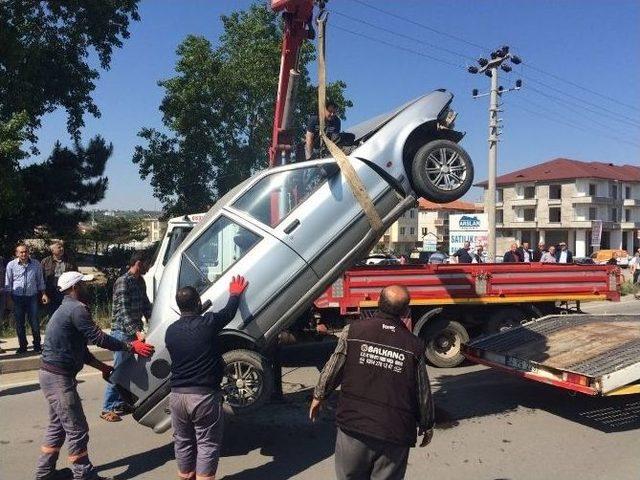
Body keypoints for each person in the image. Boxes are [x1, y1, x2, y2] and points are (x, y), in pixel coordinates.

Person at [36, 271, 154, 480]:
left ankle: (45, 473)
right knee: (77, 428)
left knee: (58, 426)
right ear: (74, 288)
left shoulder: (67, 308)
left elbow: (81, 350)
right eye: (83, 284)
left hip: (52, 375)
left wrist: (103, 368)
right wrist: (130, 346)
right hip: (58, 378)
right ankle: (84, 474)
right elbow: (98, 338)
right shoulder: (77, 310)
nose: (87, 287)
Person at [310, 285, 434, 480]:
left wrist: (319, 395)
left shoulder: (354, 331)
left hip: (354, 426)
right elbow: (422, 390)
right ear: (405, 311)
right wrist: (427, 423)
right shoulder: (414, 345)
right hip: (395, 432)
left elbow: (334, 366)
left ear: (378, 302)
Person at [166, 277, 248, 480]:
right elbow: (228, 313)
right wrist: (235, 293)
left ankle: (186, 477)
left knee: (183, 441)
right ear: (198, 304)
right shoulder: (208, 323)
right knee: (206, 442)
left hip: (177, 396)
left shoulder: (171, 331)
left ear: (179, 307)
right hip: (202, 397)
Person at [101, 251, 153, 422]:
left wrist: (154, 319)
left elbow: (146, 304)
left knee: (129, 370)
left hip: (133, 331)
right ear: (138, 263)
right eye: (147, 263)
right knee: (120, 370)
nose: (149, 267)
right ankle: (107, 407)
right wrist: (136, 331)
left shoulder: (140, 281)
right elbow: (123, 311)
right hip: (122, 333)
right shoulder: (123, 281)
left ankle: (120, 402)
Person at [4, 243, 48, 353]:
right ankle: (22, 346)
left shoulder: (36, 264)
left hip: (32, 297)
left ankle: (37, 345)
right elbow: (8, 282)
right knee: (19, 323)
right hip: (17, 298)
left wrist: (43, 293)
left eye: (26, 251)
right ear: (17, 253)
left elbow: (40, 280)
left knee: (34, 322)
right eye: (21, 252)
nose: (24, 254)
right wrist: (9, 299)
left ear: (28, 252)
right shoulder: (11, 265)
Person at [41, 240, 78, 316]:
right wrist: (43, 293)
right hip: (51, 292)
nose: (62, 249)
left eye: (62, 247)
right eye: (59, 247)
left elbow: (76, 276)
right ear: (52, 250)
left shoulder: (70, 261)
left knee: (67, 314)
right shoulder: (45, 262)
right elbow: (41, 279)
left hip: (66, 292)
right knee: (52, 315)